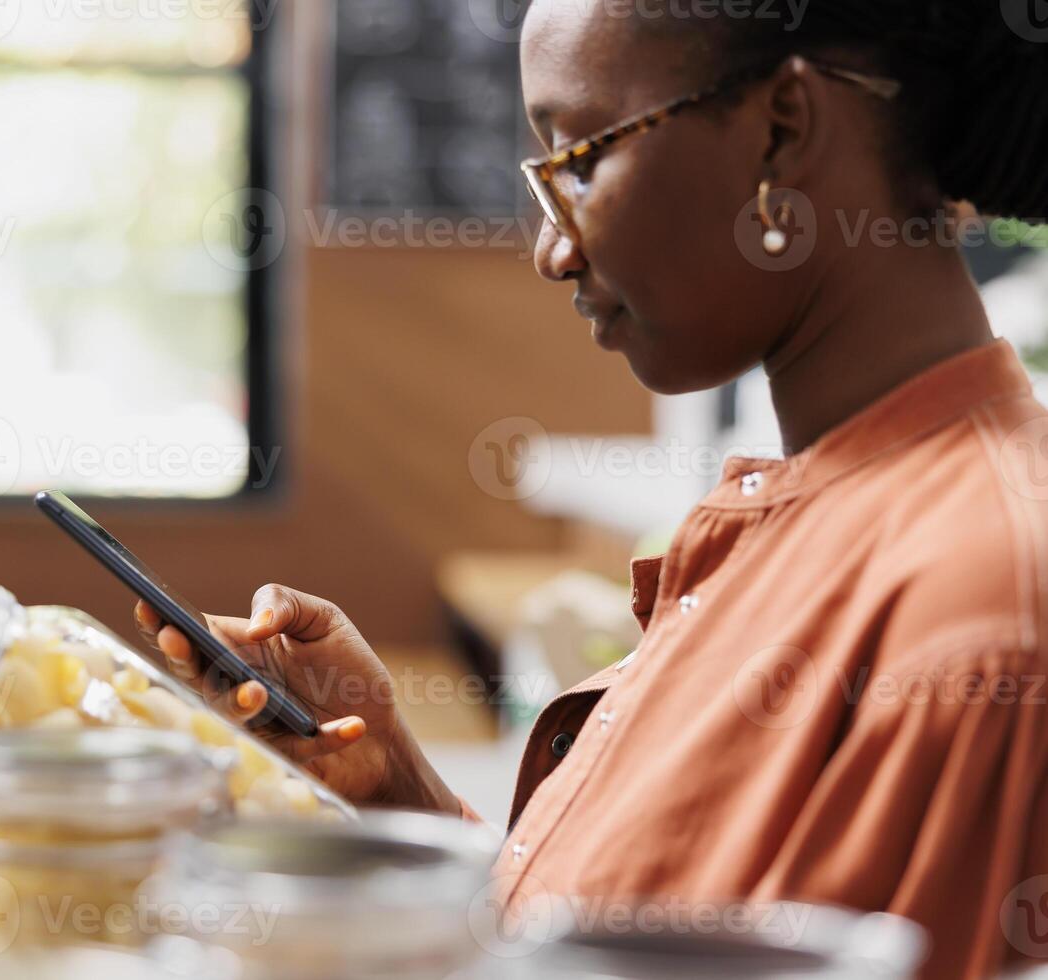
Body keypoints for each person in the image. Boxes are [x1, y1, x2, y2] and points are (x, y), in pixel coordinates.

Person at [134, 1, 1048, 976]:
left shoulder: (982, 609)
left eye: (581, 158)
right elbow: (625, 941)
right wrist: (392, 777)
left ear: (781, 130)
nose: (553, 250)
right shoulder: (804, 516)